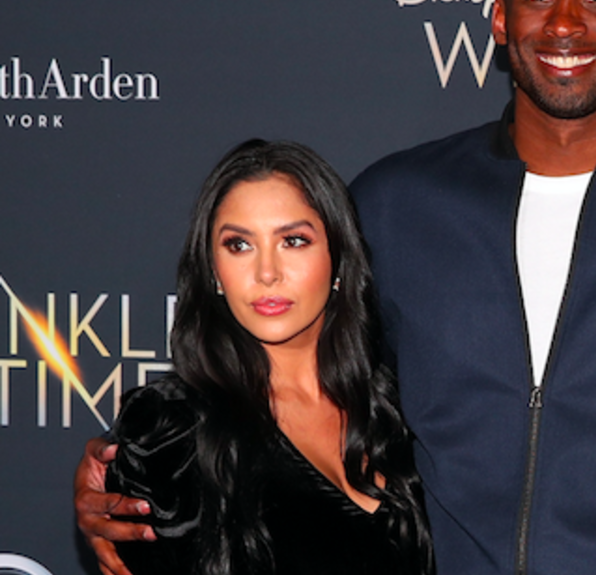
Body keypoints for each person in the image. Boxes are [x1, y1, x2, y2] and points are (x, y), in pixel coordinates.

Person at [76, 0, 596, 575]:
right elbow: (291, 367)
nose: (563, 24)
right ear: (500, 20)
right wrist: (139, 461)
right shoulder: (396, 202)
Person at [100, 139, 433, 575]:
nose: (267, 273)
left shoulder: (403, 412)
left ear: (338, 261)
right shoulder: (169, 433)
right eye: (239, 245)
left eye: (293, 241)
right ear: (213, 272)